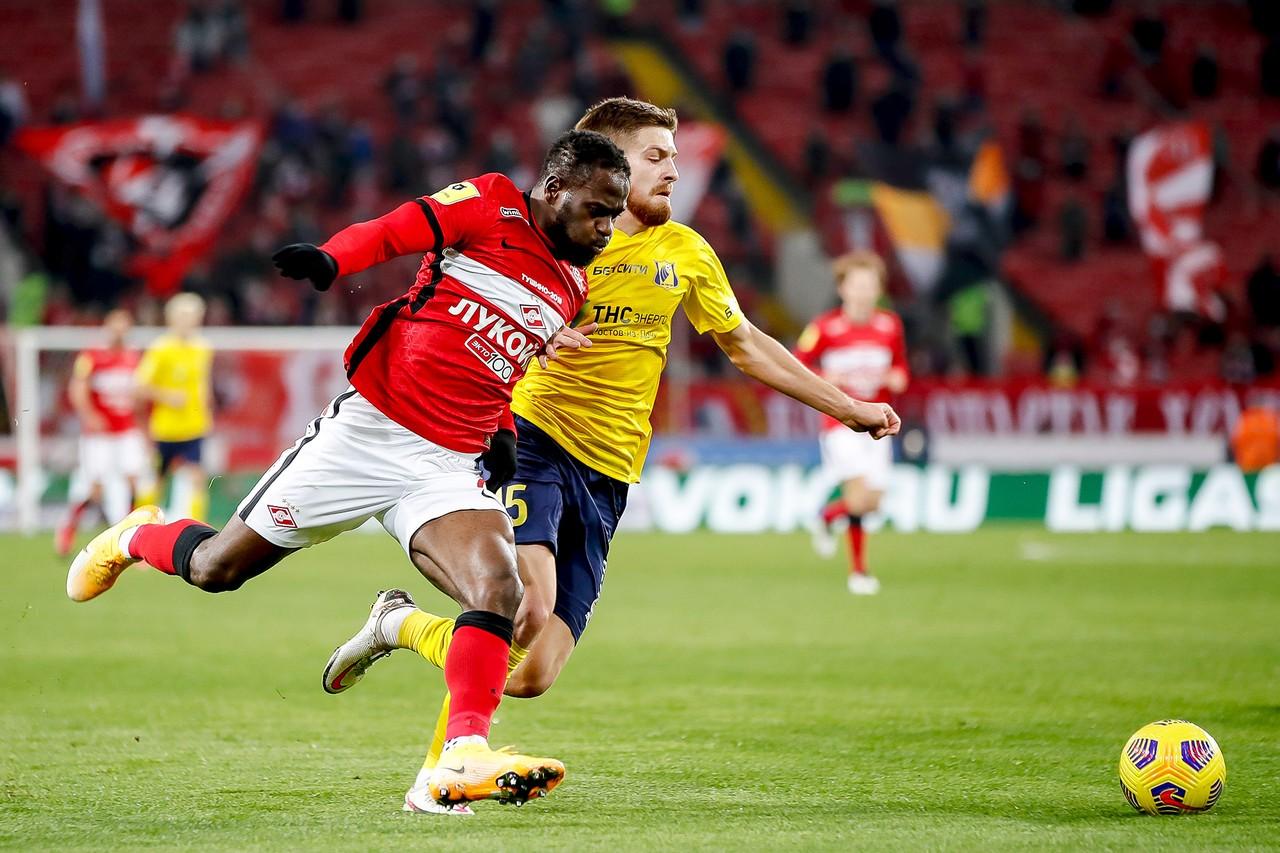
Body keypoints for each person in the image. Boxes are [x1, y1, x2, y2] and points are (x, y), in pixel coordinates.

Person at [320, 98, 901, 815]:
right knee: (524, 606)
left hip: (611, 474)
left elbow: (746, 345)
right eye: (656, 158)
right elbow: (464, 305)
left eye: (674, 159)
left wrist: (844, 406)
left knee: (531, 675)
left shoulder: (685, 252)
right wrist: (529, 331)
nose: (672, 172)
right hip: (534, 440)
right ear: (612, 165)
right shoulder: (556, 245)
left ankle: (398, 625)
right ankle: (441, 780)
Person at [66, 129, 632, 809]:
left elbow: (495, 359)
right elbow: (397, 229)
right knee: (218, 567)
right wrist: (334, 258)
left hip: (447, 464)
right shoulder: (490, 204)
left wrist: (503, 431)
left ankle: (460, 757)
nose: (607, 228)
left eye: (614, 215)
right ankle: (136, 536)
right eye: (598, 210)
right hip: (368, 434)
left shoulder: (572, 286)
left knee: (499, 590)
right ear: (555, 189)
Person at [797, 251, 908, 595]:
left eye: (869, 285)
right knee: (858, 496)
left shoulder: (890, 326)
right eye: (857, 285)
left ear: (879, 290)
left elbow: (901, 368)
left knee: (872, 503)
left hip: (878, 424)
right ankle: (859, 573)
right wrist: (824, 375)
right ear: (843, 289)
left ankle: (827, 517)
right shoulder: (824, 328)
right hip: (840, 424)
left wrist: (897, 377)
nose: (863, 292)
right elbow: (797, 365)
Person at [55, 309, 152, 556]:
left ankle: (134, 539)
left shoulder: (134, 358)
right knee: (95, 488)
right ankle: (69, 527)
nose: (120, 332)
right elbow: (77, 388)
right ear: (107, 328)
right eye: (115, 326)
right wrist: (89, 415)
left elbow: (138, 397)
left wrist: (144, 427)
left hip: (126, 430)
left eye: (124, 327)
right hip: (99, 434)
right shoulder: (91, 356)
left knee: (134, 480)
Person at [134, 293, 214, 522]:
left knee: (197, 478)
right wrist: (167, 396)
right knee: (156, 480)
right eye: (184, 316)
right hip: (165, 428)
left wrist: (208, 410)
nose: (189, 321)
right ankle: (140, 526)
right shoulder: (161, 349)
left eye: (194, 316)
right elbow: (140, 386)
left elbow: (203, 383)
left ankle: (199, 529)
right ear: (171, 318)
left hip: (194, 426)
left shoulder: (203, 348)